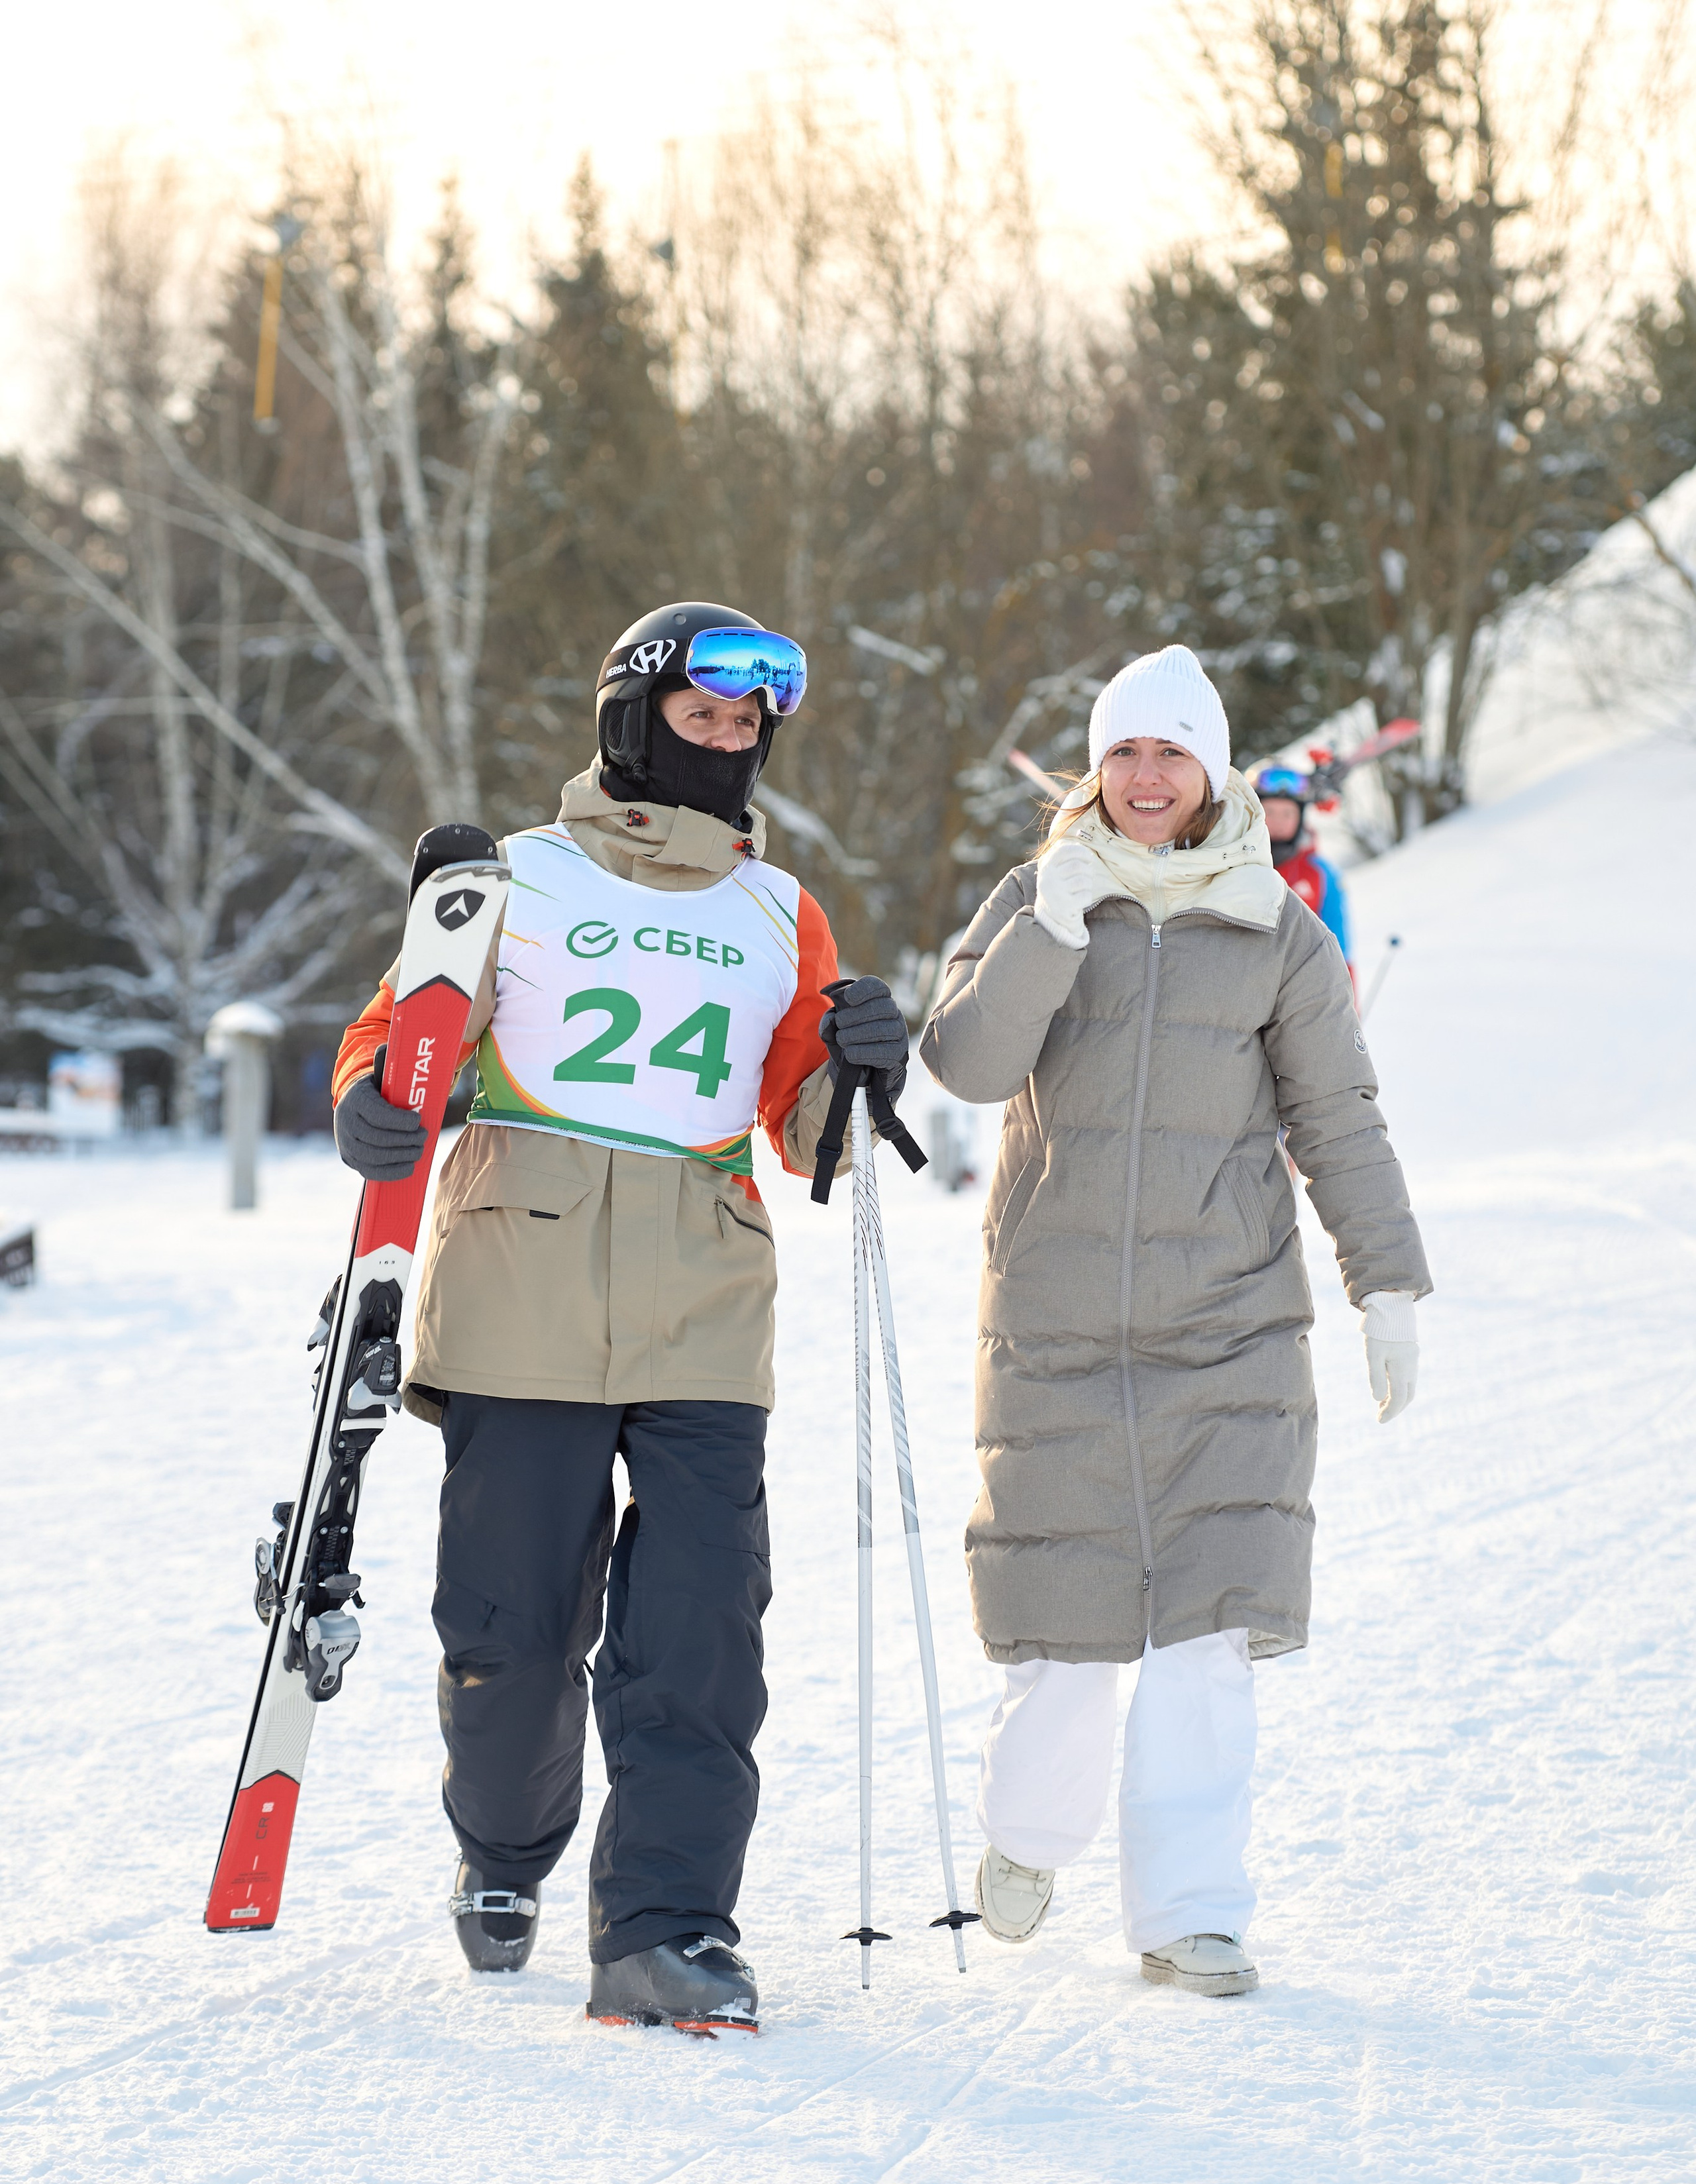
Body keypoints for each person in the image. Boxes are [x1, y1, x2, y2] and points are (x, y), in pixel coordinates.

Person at [329, 603, 909, 2032]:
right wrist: (371, 1098)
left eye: (746, 726)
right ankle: (505, 1850)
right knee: (512, 1629)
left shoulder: (780, 909)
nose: (726, 743)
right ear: (633, 718)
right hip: (520, 1276)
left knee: (701, 1629)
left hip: (703, 1296)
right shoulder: (514, 878)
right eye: (702, 717)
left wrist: (856, 1063)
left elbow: (799, 1124)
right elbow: (393, 1043)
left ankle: (667, 1928)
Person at [919, 645, 1429, 1997]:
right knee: (1065, 1633)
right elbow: (963, 1065)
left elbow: (1336, 1119)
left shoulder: (1277, 929)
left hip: (1227, 1325)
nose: (1145, 780)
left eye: (1171, 753)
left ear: (1212, 769)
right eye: (1123, 754)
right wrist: (1052, 925)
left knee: (1205, 1636)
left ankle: (1189, 1912)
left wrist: (1385, 1279)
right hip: (1057, 1323)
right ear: (1096, 769)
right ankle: (1027, 1830)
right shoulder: (1033, 896)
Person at [1250, 761, 1353, 986]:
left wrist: (1347, 1007)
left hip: (1301, 992)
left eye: (1288, 813)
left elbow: (1339, 945)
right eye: (1270, 812)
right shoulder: (1236, 863)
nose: (1278, 821)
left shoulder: (1320, 873)